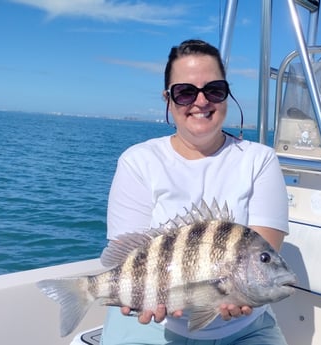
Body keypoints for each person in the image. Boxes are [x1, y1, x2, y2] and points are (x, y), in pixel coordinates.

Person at [101, 39, 289, 345]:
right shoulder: (138, 160)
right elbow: (124, 257)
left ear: (227, 93)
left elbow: (263, 253)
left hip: (245, 328)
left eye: (213, 90)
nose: (200, 101)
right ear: (168, 99)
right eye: (185, 92)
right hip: (150, 325)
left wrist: (236, 294)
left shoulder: (259, 160)